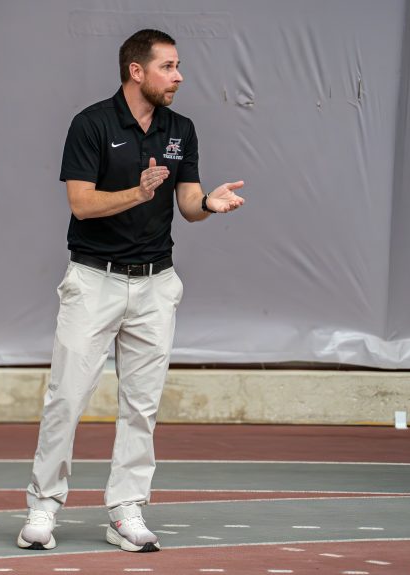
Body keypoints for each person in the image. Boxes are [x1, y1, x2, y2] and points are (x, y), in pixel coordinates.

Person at [17, 29, 245, 552]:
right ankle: (43, 506)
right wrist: (137, 192)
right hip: (93, 280)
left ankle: (126, 509)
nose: (179, 76)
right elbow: (81, 204)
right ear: (136, 71)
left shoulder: (180, 129)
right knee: (66, 399)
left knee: (141, 406)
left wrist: (209, 203)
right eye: (168, 66)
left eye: (178, 66)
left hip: (156, 284)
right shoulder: (91, 124)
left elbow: (185, 202)